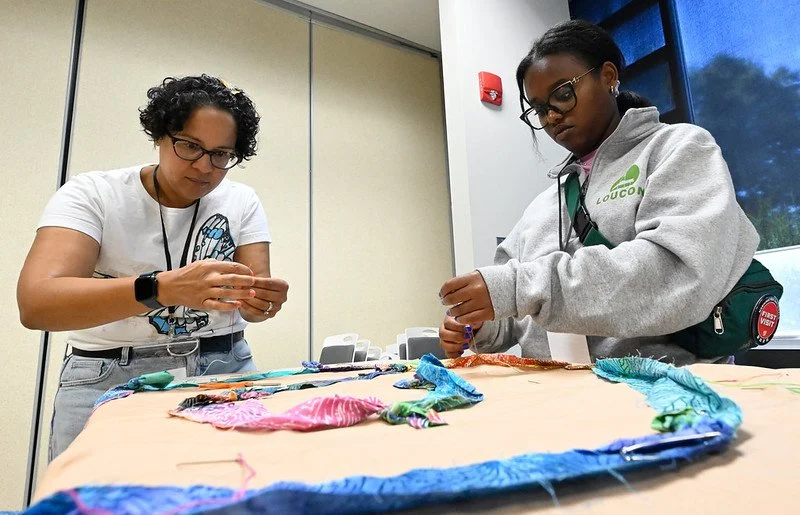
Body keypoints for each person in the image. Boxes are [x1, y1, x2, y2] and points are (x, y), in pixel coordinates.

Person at [438, 20, 758, 365]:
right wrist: (479, 323)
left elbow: (677, 272)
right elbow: (514, 317)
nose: (553, 116)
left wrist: (517, 287)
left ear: (608, 76)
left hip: (660, 392)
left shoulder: (678, 148)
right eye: (540, 108)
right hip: (554, 398)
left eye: (563, 94)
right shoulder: (543, 206)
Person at [17, 74, 289, 460]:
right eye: (190, 146)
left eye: (221, 154)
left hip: (222, 366)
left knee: (225, 493)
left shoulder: (241, 200)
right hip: (108, 375)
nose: (205, 166)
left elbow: (253, 303)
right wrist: (160, 289)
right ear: (160, 135)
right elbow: (37, 303)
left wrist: (261, 302)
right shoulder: (93, 194)